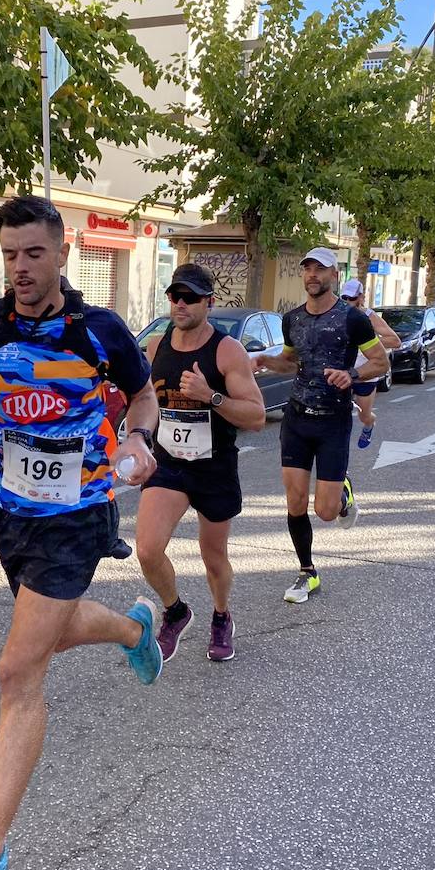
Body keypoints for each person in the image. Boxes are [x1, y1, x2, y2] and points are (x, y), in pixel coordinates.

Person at [0, 195, 163, 870]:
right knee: (48, 633)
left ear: (63, 252)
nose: (21, 267)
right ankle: (132, 627)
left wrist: (138, 438)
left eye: (34, 253)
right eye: (11, 254)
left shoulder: (101, 331)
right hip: (12, 514)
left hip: (79, 513)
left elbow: (142, 399)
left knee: (17, 669)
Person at [135, 263, 267, 663]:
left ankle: (221, 616)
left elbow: (257, 416)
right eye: (175, 296)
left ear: (209, 302)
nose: (180, 304)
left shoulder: (227, 350)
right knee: (147, 549)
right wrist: (137, 439)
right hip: (170, 464)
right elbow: (146, 401)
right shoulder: (156, 347)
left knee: (213, 556)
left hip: (214, 467)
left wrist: (211, 396)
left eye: (190, 297)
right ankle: (176, 612)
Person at [251, 248, 390, 604]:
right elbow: (290, 362)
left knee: (325, 512)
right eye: (307, 268)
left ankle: (342, 493)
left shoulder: (353, 319)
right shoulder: (291, 320)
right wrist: (267, 361)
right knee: (295, 501)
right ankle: (306, 572)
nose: (312, 274)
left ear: (334, 276)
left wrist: (351, 374)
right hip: (297, 419)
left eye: (320, 269)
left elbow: (381, 361)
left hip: (333, 421)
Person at [339, 279, 403, 449]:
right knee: (337, 417)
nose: (347, 302)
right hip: (342, 372)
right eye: (344, 298)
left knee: (364, 415)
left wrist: (368, 341)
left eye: (351, 299)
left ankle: (369, 425)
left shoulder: (369, 317)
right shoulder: (336, 314)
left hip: (365, 373)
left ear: (361, 297)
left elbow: (395, 341)